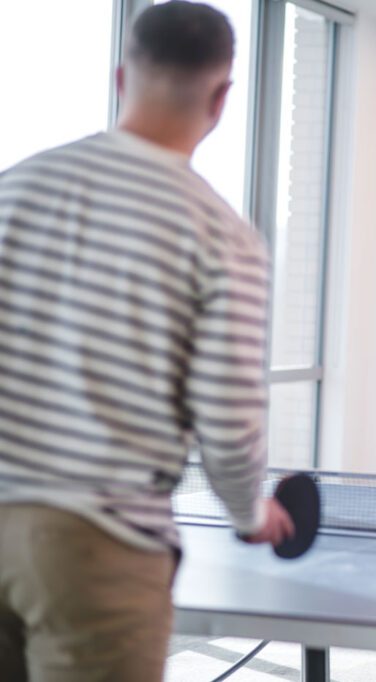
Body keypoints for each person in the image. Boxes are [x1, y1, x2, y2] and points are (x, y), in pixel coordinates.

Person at [0, 3, 293, 681]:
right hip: (95, 547)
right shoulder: (222, 236)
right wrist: (250, 511)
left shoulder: (14, 190)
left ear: (120, 77)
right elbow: (228, 414)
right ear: (222, 97)